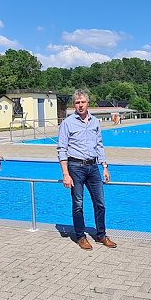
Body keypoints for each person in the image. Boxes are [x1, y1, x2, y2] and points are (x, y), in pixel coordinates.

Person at [57, 89, 116, 250]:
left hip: (93, 167)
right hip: (75, 167)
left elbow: (99, 145)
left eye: (83, 102)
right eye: (77, 102)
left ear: (88, 103)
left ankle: (101, 235)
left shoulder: (95, 122)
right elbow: (61, 149)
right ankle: (81, 236)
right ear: (74, 105)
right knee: (78, 204)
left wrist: (104, 166)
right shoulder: (67, 123)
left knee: (100, 203)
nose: (80, 105)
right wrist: (65, 174)